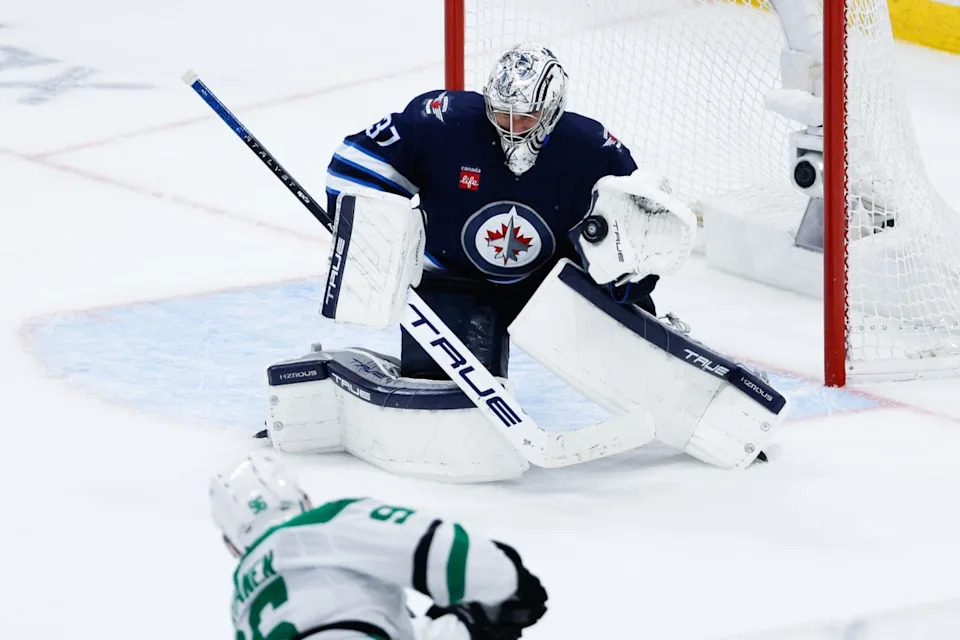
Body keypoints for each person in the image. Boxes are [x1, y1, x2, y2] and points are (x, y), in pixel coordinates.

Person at [323, 42, 680, 380]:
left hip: (552, 284)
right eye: (500, 114)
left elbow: (635, 237)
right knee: (443, 390)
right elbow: (356, 165)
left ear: (552, 110)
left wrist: (629, 283)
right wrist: (368, 235)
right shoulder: (442, 124)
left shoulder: (594, 151)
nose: (512, 128)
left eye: (526, 118)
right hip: (452, 279)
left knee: (639, 365)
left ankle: (665, 370)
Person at [210, 454, 549, 639]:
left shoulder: (242, 606)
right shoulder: (324, 525)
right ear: (304, 500)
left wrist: (464, 626)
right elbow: (452, 556)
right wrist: (509, 587)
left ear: (233, 544)